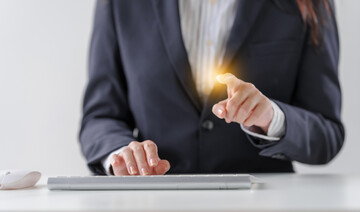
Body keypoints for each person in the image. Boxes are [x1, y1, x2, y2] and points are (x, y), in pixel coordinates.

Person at [79, 0, 344, 176]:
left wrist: (272, 119)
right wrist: (121, 155)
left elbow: (327, 133)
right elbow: (100, 116)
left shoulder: (308, 4)